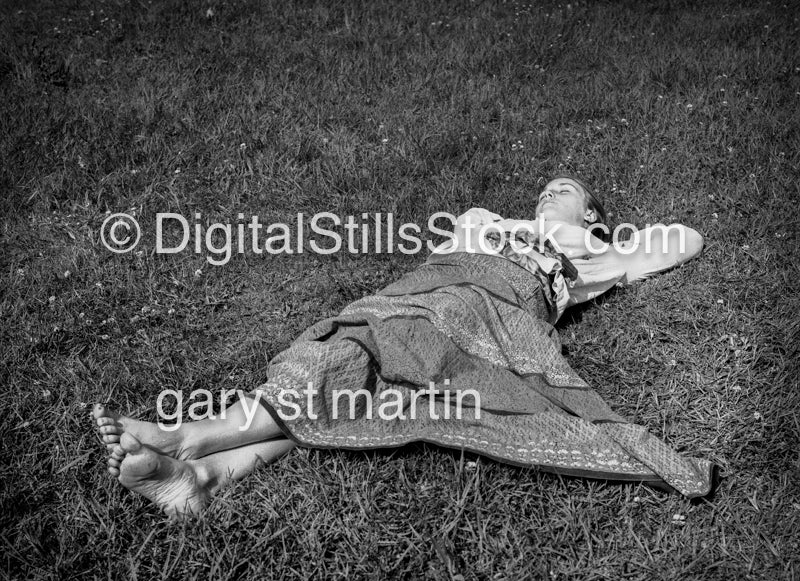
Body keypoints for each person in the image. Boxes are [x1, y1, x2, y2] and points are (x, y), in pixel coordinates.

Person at [93, 177, 712, 517]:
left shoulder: (594, 254)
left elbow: (684, 241)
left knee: (365, 369)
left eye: (566, 188)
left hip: (486, 307)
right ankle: (202, 477)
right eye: (547, 188)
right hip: (426, 291)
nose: (551, 193)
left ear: (592, 213)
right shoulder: (485, 219)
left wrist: (608, 241)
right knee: (357, 373)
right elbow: (453, 248)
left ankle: (193, 440)